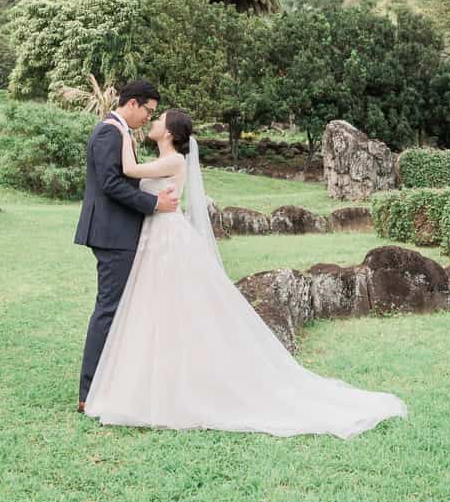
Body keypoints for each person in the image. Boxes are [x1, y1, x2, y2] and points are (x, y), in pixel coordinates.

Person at [83, 105, 407, 438]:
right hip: (153, 237)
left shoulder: (173, 160)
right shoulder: (160, 158)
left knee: (174, 310)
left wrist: (122, 133)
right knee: (153, 310)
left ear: (169, 131)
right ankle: (151, 382)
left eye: (158, 118)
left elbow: (127, 169)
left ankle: (178, 386)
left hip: (167, 239)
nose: (153, 120)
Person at [75, 80, 178, 411]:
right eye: (148, 110)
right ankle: (88, 394)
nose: (149, 118)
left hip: (117, 231)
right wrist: (153, 204)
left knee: (115, 308)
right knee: (109, 309)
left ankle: (109, 383)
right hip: (112, 233)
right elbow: (110, 184)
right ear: (132, 104)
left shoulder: (120, 131)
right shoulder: (110, 131)